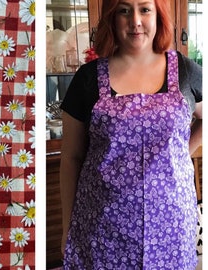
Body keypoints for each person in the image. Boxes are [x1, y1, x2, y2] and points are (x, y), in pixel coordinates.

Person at [59, 0, 202, 269]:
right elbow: (71, 158)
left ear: (158, 16)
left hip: (172, 225)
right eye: (124, 11)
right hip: (103, 225)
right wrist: (67, 225)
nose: (135, 20)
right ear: (112, 19)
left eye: (144, 9)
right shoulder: (88, 79)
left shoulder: (186, 71)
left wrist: (183, 149)